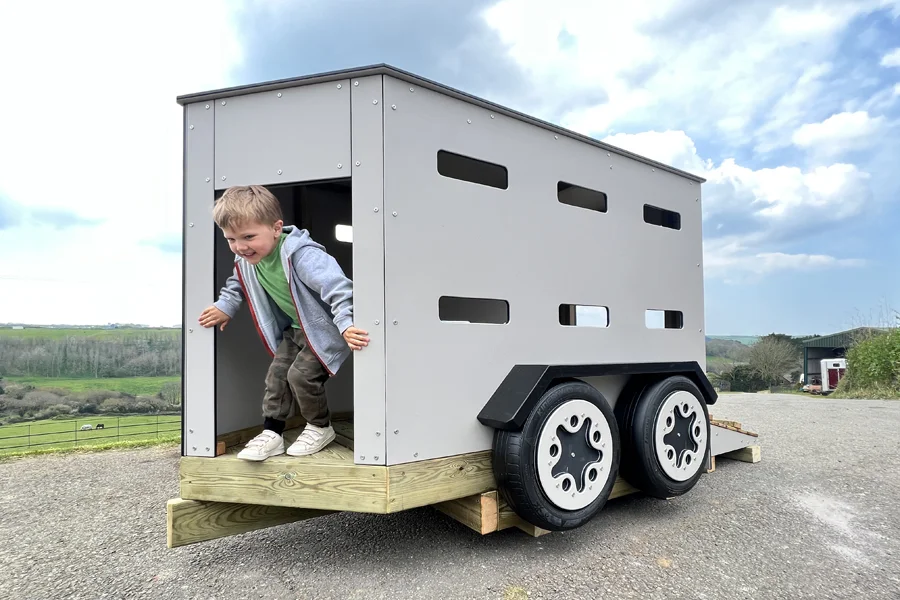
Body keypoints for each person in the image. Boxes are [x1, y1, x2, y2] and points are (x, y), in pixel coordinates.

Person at [198, 185, 369, 461]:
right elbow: (237, 283)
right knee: (276, 376)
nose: (240, 247)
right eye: (231, 239)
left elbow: (339, 288)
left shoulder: (302, 254)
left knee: (300, 376)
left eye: (249, 236)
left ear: (276, 228)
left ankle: (320, 426)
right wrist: (225, 306)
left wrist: (347, 324)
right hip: (296, 330)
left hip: (326, 329)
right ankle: (272, 433)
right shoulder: (247, 260)